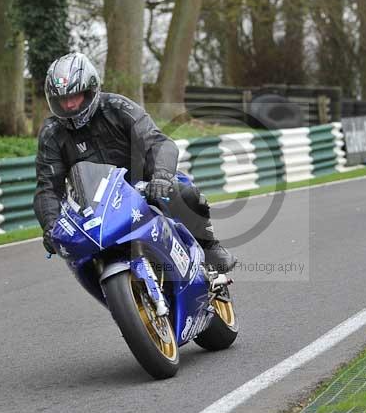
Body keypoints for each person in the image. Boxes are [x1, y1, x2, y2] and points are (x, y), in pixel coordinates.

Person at [33, 52, 237, 273]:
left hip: (144, 185)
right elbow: (47, 187)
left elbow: (158, 143)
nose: (70, 105)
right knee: (71, 248)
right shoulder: (51, 133)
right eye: (63, 100)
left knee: (183, 192)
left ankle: (208, 246)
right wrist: (50, 225)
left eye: (76, 96)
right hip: (94, 207)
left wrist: (161, 176)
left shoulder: (118, 107)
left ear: (91, 90)